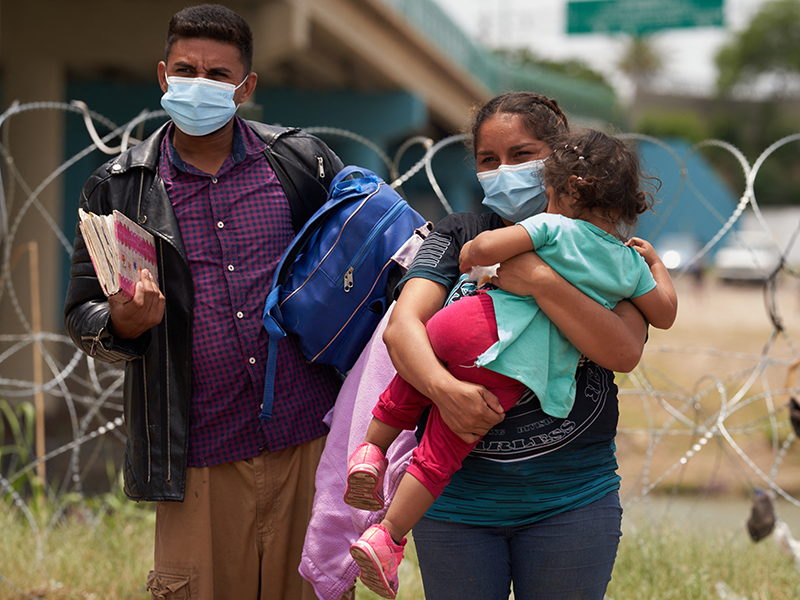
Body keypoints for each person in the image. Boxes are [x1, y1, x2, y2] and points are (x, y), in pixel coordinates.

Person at [62, 5, 346, 599]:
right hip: (198, 454)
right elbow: (81, 312)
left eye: (218, 75)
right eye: (187, 70)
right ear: (163, 76)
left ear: (246, 87)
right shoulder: (120, 187)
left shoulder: (300, 163)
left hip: (307, 441)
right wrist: (122, 323)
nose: (200, 85)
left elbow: (354, 273)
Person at [344, 128, 677, 598]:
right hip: (470, 477)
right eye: (488, 159)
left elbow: (623, 351)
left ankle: (369, 454)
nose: (505, 172)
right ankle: (388, 536)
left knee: (408, 397)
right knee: (439, 453)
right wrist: (447, 392)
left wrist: (536, 278)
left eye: (522, 156)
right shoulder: (623, 263)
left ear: (555, 175)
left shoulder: (547, 227)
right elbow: (402, 330)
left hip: (567, 494)